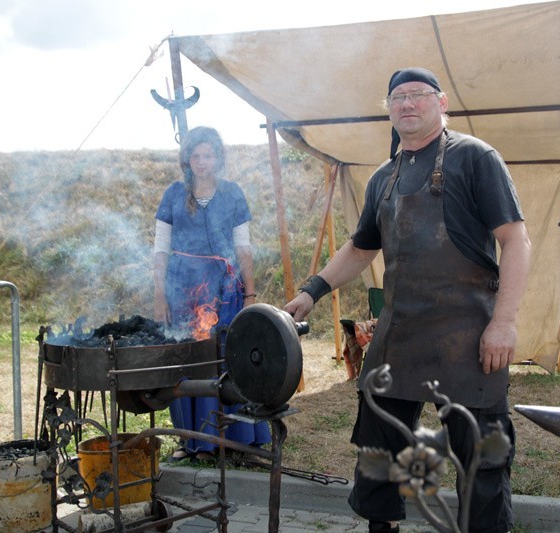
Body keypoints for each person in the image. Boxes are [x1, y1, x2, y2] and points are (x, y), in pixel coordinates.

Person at [285, 68, 531, 533]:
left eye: (418, 95)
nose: (407, 104)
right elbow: (361, 248)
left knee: (482, 460)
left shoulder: (476, 158)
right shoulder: (383, 177)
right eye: (397, 97)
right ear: (390, 109)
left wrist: (504, 323)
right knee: (378, 454)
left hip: (468, 338)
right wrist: (311, 290)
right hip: (398, 336)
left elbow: (515, 241)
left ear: (442, 104)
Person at [154, 126, 271, 462]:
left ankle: (243, 443)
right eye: (195, 155)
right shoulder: (173, 194)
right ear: (186, 159)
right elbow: (161, 249)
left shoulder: (233, 193)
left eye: (208, 155)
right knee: (190, 360)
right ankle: (195, 443)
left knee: (230, 359)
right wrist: (159, 295)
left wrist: (250, 295)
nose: (202, 162)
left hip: (225, 289)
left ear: (218, 157)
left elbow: (243, 248)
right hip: (183, 292)